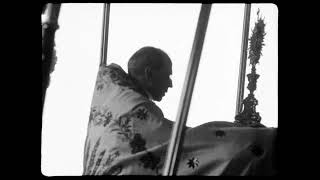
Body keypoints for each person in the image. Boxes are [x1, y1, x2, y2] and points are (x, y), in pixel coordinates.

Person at [82, 46, 277, 176]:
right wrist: (241, 135)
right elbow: (172, 142)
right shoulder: (129, 105)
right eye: (167, 76)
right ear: (149, 74)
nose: (171, 84)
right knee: (233, 149)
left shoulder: (115, 96)